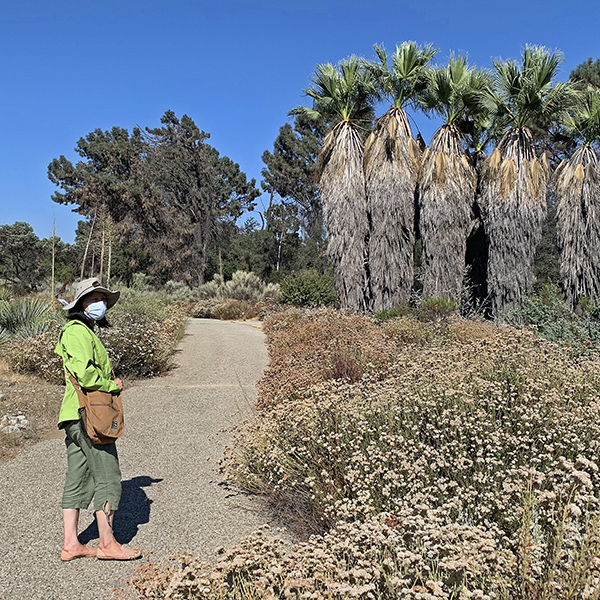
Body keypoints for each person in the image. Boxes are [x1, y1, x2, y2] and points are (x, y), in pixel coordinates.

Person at [55, 277, 141, 561]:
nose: (99, 304)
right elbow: (84, 373)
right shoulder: (77, 331)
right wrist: (111, 384)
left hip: (74, 414)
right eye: (93, 299)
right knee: (108, 476)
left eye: (102, 299)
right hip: (87, 414)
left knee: (78, 477)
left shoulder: (83, 331)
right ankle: (107, 543)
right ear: (80, 304)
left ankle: (72, 544)